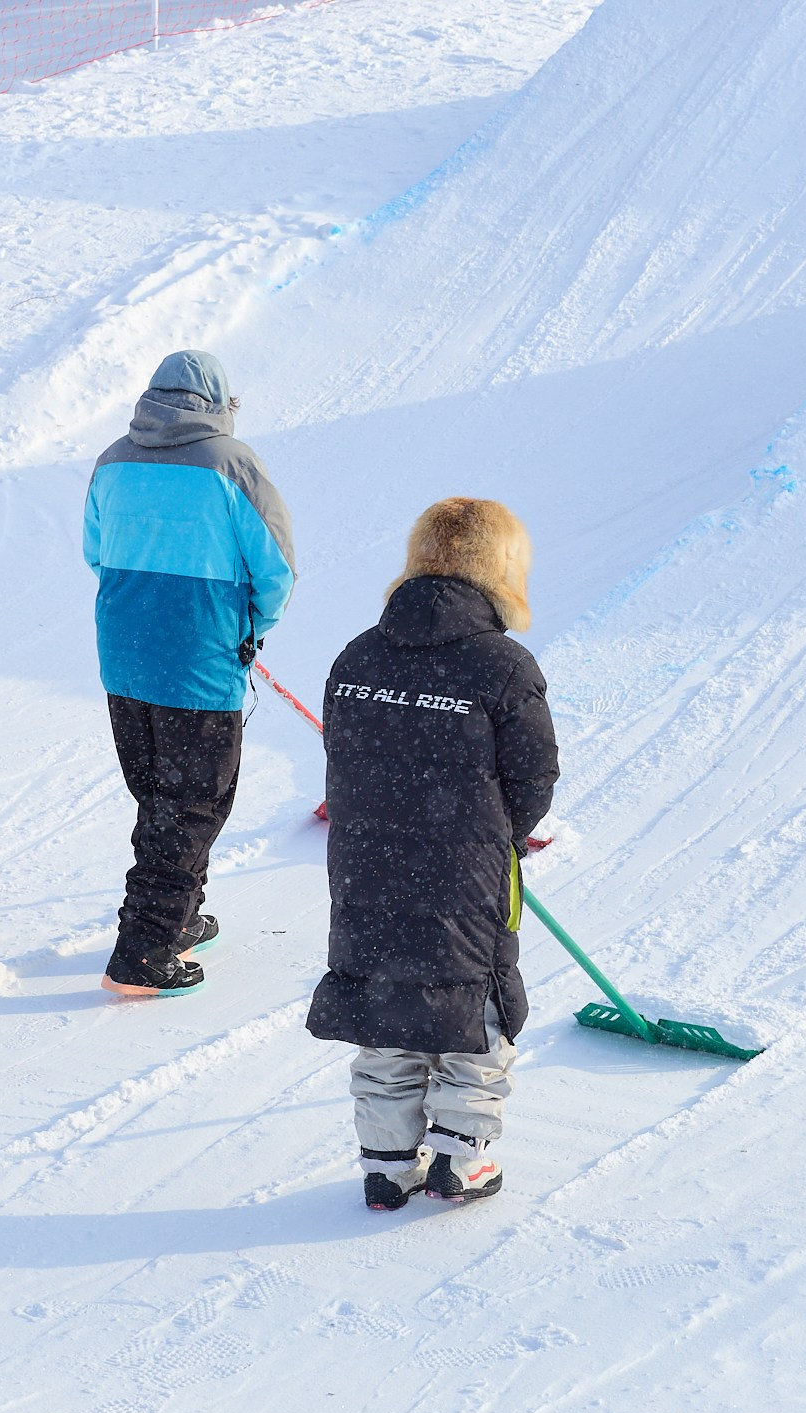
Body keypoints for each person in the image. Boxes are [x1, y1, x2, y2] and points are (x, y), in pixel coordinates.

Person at [308, 498, 559, 1208]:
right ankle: (462, 1157)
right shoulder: (501, 666)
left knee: (386, 1006)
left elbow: (344, 756)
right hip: (464, 874)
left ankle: (386, 1164)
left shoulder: (358, 655)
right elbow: (533, 776)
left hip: (364, 867)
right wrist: (498, 835)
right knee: (472, 1004)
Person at [84, 349, 294, 997]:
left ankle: (173, 918)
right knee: (193, 805)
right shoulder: (233, 466)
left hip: (123, 658)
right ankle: (143, 954)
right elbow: (276, 569)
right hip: (198, 662)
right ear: (218, 404)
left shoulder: (112, 460)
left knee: (161, 798)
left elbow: (96, 553)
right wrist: (247, 631)